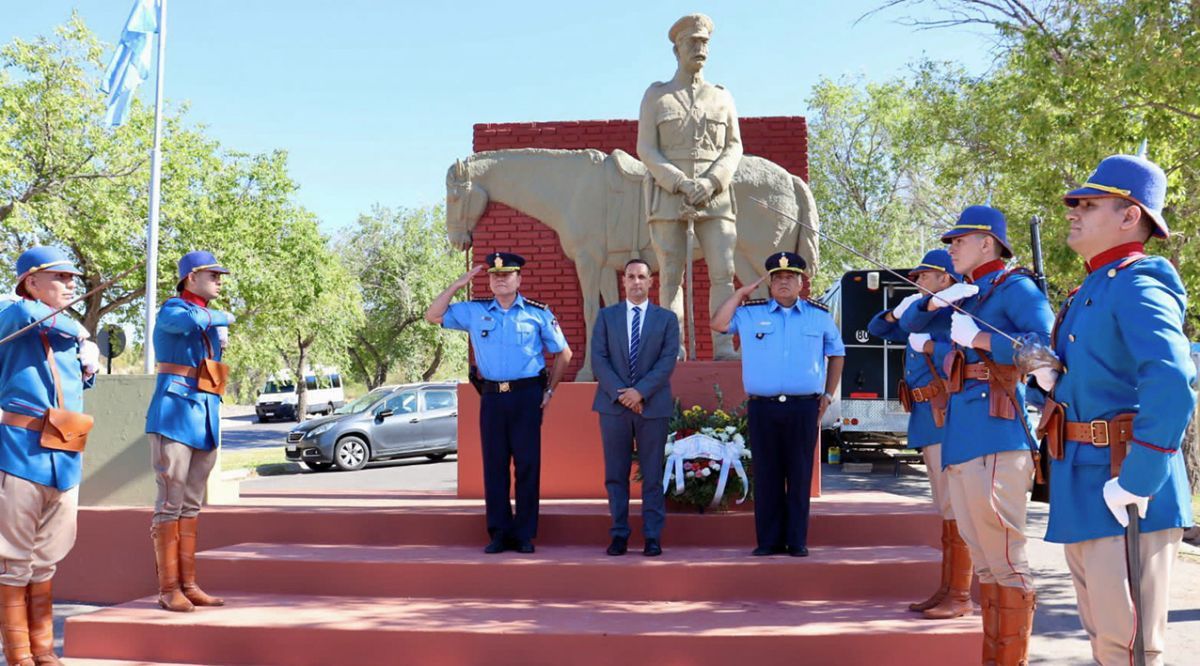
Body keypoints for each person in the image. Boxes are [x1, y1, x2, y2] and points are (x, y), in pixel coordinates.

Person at [1038, 154, 1195, 666]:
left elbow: (1172, 382)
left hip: (1123, 481)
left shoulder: (1138, 280)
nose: (1072, 212)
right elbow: (1102, 378)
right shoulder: (1094, 286)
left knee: (1130, 646)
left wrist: (1140, 478)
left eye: (1088, 203)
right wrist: (1052, 379)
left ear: (1131, 216)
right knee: (1107, 640)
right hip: (1085, 479)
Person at [900, 206, 1053, 664]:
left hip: (997, 432)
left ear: (987, 243)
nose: (952, 249)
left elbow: (1045, 352)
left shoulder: (1016, 289)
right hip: (963, 435)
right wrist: (936, 305)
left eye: (959, 241)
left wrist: (984, 341)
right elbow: (908, 324)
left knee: (1005, 559)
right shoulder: (969, 294)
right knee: (985, 561)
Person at [426, 252, 572, 554]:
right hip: (492, 397)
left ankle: (524, 534)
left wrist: (550, 391)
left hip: (527, 397)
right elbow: (433, 315)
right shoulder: (474, 311)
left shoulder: (537, 313)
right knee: (494, 467)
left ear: (519, 279)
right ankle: (499, 533)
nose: (500, 279)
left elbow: (564, 353)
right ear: (489, 281)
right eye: (494, 275)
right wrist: (458, 283)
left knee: (528, 465)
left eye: (507, 275)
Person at [0, 246, 98, 666]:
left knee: (46, 563)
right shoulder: (15, 314)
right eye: (59, 278)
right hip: (20, 455)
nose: (70, 285)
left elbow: (74, 388)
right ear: (31, 282)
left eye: (72, 279)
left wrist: (89, 359)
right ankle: (18, 653)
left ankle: (43, 650)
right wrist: (85, 334)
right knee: (14, 562)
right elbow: (25, 316)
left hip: (65, 458)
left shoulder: (62, 336)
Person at [711, 251, 844, 557]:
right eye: (778, 278)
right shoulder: (748, 313)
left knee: (799, 475)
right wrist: (740, 293)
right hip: (763, 407)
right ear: (769, 284)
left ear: (801, 282)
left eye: (790, 277)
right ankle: (769, 541)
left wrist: (828, 395)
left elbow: (837, 353)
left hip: (804, 407)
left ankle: (796, 540)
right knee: (767, 473)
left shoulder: (818, 315)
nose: (784, 283)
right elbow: (718, 324)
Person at [867, 249, 973, 619]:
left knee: (954, 504)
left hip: (946, 412)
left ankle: (959, 592)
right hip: (927, 415)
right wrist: (899, 311)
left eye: (925, 276)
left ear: (946, 278)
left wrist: (929, 345)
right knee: (944, 505)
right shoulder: (920, 312)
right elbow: (876, 328)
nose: (917, 281)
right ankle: (947, 587)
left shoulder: (955, 310)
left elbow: (967, 354)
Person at [637, 13, 743, 360]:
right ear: (676, 50)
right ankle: (673, 348)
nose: (699, 48)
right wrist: (679, 182)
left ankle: (724, 347)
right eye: (692, 42)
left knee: (723, 273)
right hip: (669, 197)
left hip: (716, 199)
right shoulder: (657, 96)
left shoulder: (722, 97)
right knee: (670, 275)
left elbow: (733, 146)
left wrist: (712, 181)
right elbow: (646, 149)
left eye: (704, 43)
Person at [145, 251, 235, 612]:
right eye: (213, 274)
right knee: (170, 503)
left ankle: (189, 584)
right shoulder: (173, 309)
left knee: (191, 504)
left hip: (204, 415)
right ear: (191, 276)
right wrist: (221, 317)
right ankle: (169, 589)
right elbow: (187, 321)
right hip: (175, 413)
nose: (219, 280)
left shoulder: (203, 317)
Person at [590, 258, 680, 557]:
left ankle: (652, 536)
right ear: (623, 281)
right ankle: (619, 535)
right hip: (613, 407)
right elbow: (599, 360)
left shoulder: (666, 319)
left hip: (652, 406)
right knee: (615, 475)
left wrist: (639, 392)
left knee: (652, 476)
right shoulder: (606, 316)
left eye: (642, 276)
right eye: (631, 276)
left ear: (651, 281)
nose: (636, 281)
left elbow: (667, 361)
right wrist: (623, 395)